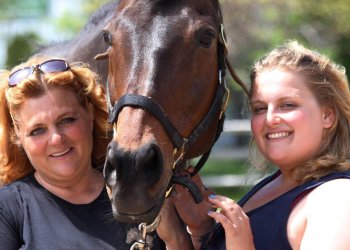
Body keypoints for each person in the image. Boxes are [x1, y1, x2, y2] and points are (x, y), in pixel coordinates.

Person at [160, 40, 350, 250]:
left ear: (327, 116)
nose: (270, 119)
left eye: (287, 105)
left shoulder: (337, 200)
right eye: (259, 108)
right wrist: (200, 232)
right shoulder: (275, 184)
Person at [0, 55, 165, 249]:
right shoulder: (8, 210)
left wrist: (192, 233)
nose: (56, 139)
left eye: (67, 120)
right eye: (37, 130)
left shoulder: (143, 192)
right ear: (18, 136)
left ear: (89, 113)